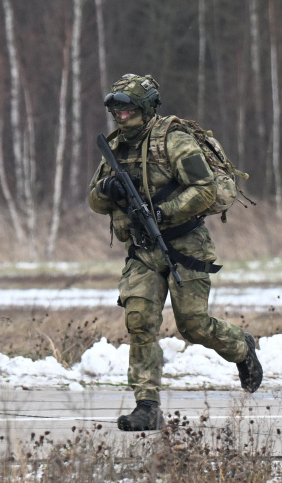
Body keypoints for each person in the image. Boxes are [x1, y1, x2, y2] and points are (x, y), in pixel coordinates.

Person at [88, 74, 263, 431]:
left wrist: (164, 212)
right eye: (116, 112)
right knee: (140, 323)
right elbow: (94, 200)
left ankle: (242, 347)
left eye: (127, 111)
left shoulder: (174, 142)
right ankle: (147, 405)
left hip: (185, 246)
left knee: (193, 326)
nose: (120, 119)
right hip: (143, 250)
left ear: (146, 109)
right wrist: (108, 188)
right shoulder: (116, 148)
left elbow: (205, 189)